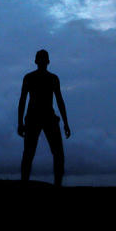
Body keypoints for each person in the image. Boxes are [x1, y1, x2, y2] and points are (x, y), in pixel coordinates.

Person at [17, 50, 70, 186]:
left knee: (36, 153)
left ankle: (55, 184)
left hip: (43, 118)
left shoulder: (44, 78)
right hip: (39, 118)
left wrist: (65, 122)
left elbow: (59, 100)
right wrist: (65, 123)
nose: (42, 62)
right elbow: (22, 100)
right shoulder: (38, 78)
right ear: (47, 62)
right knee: (34, 153)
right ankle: (54, 184)